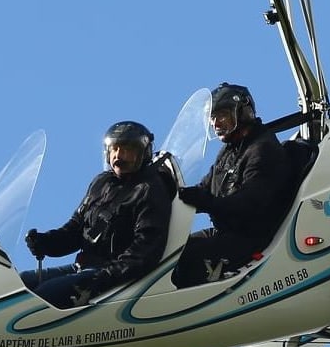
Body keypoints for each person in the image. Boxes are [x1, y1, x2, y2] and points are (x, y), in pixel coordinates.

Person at [23, 120, 172, 309]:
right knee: (19, 286)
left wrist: (107, 275)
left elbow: (146, 249)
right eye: (114, 149)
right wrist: (46, 242)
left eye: (126, 149)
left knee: (39, 298)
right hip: (84, 268)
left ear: (143, 153)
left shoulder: (151, 189)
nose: (118, 155)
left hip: (111, 275)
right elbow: (75, 230)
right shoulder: (101, 183)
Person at [173, 82, 294, 287]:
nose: (215, 123)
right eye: (212, 118)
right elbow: (206, 187)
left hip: (249, 239)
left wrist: (207, 202)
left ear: (242, 112)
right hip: (227, 232)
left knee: (188, 259)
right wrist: (173, 194)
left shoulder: (263, 149)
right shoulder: (231, 149)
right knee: (172, 252)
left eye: (221, 115)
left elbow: (250, 204)